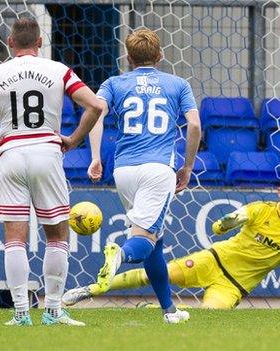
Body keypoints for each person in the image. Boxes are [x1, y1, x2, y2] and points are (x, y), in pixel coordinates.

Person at [0, 18, 102, 326]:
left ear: (9, 42)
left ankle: (21, 313)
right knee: (58, 236)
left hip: (10, 155)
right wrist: (73, 139)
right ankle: (54, 310)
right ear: (40, 43)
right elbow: (96, 105)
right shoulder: (58, 70)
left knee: (15, 239)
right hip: (47, 153)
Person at [62, 171, 280, 309]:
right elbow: (218, 226)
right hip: (212, 260)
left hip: (234, 285)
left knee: (209, 316)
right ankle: (87, 290)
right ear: (278, 192)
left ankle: (156, 310)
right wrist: (226, 222)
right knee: (149, 274)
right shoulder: (258, 210)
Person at [82, 28, 201, 323]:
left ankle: (169, 310)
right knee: (144, 239)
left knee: (155, 240)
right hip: (158, 169)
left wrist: (96, 156)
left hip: (124, 170)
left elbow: (95, 113)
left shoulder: (114, 83)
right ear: (160, 55)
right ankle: (119, 256)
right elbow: (194, 126)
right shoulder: (178, 84)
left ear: (128, 56)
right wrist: (186, 167)